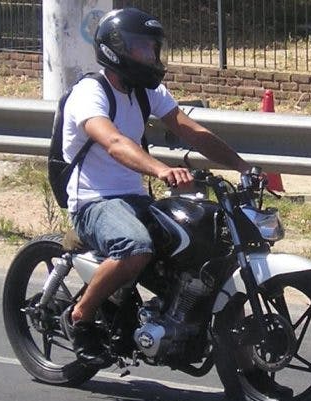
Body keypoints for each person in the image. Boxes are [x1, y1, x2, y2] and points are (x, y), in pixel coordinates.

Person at [59, 7, 250, 365]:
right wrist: (161, 170)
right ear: (116, 49)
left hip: (133, 200)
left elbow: (190, 130)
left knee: (203, 242)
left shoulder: (147, 92)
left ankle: (189, 332)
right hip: (94, 202)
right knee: (136, 247)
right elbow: (114, 142)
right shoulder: (90, 92)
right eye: (141, 49)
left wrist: (242, 166)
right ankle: (81, 316)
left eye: (152, 48)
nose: (150, 56)